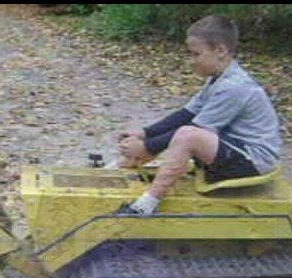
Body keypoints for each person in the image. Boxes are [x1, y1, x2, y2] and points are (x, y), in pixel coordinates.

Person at [116, 15, 281, 215]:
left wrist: (147, 147)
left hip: (253, 161)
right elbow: (186, 114)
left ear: (220, 51)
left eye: (196, 54)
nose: (191, 61)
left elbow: (196, 130)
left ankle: (146, 205)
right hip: (234, 148)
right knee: (179, 134)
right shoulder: (218, 79)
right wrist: (144, 133)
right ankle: (115, 172)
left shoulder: (234, 87)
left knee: (188, 136)